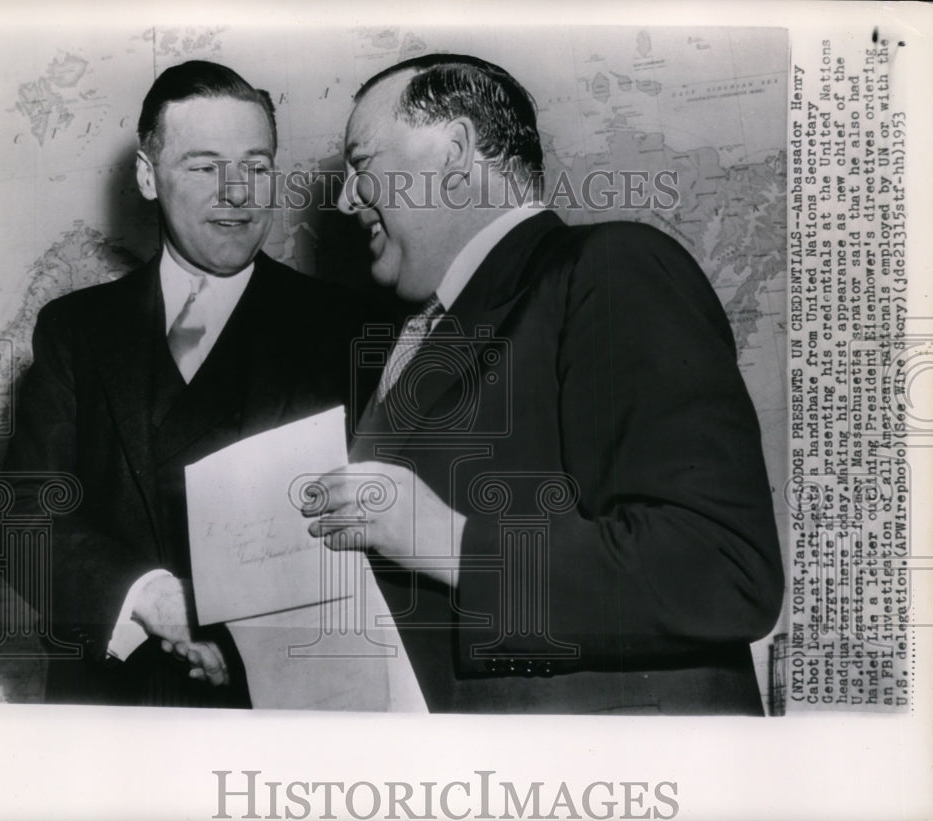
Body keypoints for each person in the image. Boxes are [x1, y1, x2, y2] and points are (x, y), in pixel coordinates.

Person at [305, 54, 784, 714]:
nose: (345, 199)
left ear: (455, 152)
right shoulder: (408, 341)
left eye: (363, 167)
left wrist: (448, 540)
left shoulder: (613, 267)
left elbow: (723, 569)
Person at [0, 60, 369, 707]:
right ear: (146, 175)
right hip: (110, 720)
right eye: (203, 165)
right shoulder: (74, 330)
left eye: (257, 164)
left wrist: (251, 641)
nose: (239, 192)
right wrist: (152, 598)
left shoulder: (351, 329)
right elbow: (23, 515)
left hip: (280, 717)